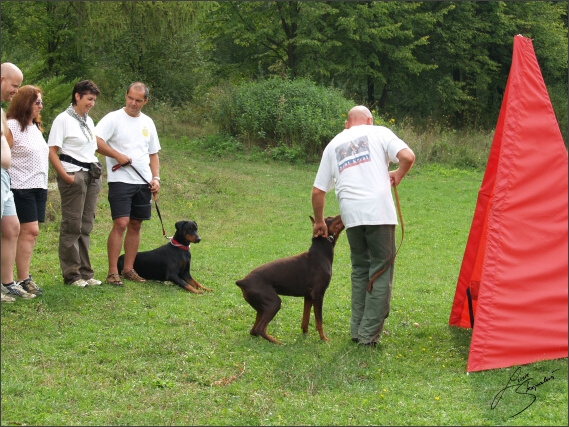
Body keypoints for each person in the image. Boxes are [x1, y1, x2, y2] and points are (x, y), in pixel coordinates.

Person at [312, 105, 415, 347]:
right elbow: (408, 156)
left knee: (360, 269)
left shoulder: (334, 144)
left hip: (351, 216)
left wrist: (319, 221)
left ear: (347, 123)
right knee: (380, 269)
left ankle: (358, 330)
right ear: (370, 120)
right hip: (378, 212)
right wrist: (398, 174)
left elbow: (318, 191)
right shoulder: (379, 132)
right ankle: (369, 335)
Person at [95, 82, 161, 287]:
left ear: (145, 101)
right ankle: (112, 272)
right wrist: (117, 155)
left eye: (138, 100)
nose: (133, 103)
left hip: (143, 181)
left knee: (136, 224)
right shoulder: (112, 118)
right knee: (121, 222)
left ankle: (128, 269)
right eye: (130, 98)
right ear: (126, 96)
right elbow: (96, 141)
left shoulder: (148, 122)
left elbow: (153, 153)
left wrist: (156, 178)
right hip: (120, 180)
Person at [48, 80, 103, 287]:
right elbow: (52, 151)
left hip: (91, 175)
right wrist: (66, 176)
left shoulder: (88, 120)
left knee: (86, 223)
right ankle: (72, 274)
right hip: (73, 174)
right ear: (77, 96)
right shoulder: (63, 119)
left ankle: (86, 273)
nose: (92, 103)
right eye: (89, 99)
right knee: (72, 224)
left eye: (94, 100)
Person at [5, 85, 49, 297]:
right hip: (19, 186)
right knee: (28, 231)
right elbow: (5, 154)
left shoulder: (35, 127)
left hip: (38, 185)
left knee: (30, 233)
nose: (40, 106)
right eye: (36, 102)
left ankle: (24, 278)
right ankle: (13, 279)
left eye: (41, 102)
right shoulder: (12, 126)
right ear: (25, 103)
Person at [1, 62, 25, 301]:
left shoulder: (0, 111)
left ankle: (6, 282)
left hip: (4, 177)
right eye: (14, 85)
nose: (16, 91)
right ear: (1, 79)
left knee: (12, 227)